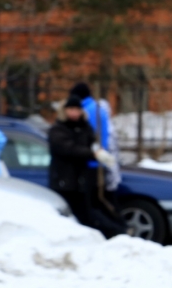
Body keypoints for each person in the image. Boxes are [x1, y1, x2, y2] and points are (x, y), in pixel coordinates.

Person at [48, 95, 122, 236]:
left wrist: (98, 151)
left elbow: (92, 141)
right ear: (65, 111)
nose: (74, 113)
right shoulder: (58, 129)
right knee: (68, 215)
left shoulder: (85, 126)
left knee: (86, 213)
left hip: (81, 181)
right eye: (71, 109)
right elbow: (68, 148)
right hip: (64, 181)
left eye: (77, 109)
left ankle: (113, 234)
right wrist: (92, 153)